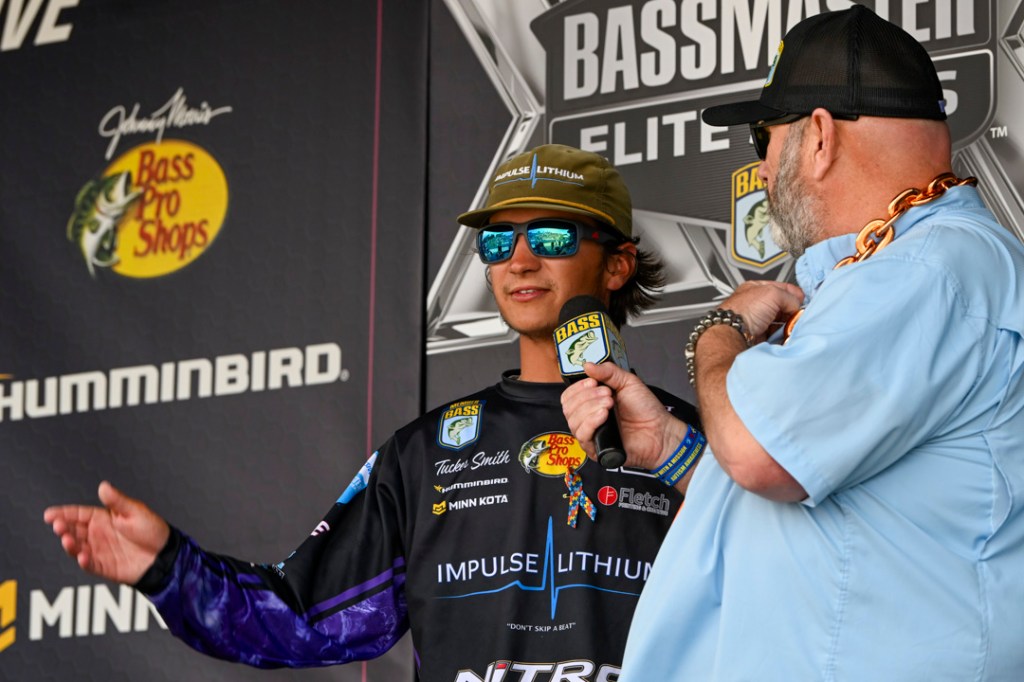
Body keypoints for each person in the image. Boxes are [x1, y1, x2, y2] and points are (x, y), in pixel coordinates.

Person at [44, 144, 702, 681]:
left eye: (551, 236)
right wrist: (169, 569)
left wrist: (680, 452)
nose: (520, 260)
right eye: (498, 242)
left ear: (617, 265)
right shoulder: (426, 452)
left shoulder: (688, 443)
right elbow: (304, 619)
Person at [561, 6, 1024, 680]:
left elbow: (762, 454)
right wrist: (668, 446)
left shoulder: (928, 266)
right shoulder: (899, 270)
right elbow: (818, 504)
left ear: (820, 137)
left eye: (764, 137)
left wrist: (717, 333)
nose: (761, 168)